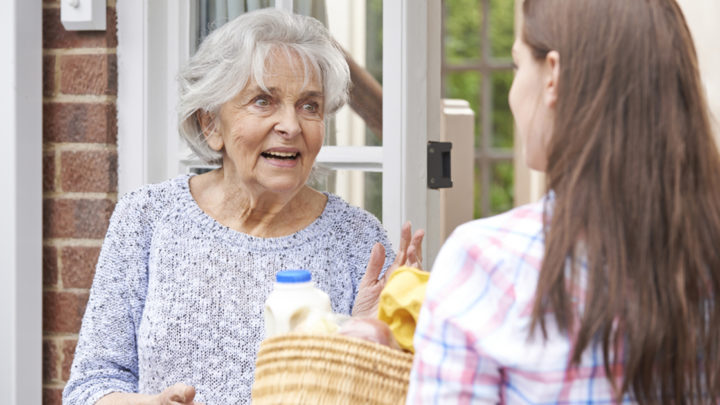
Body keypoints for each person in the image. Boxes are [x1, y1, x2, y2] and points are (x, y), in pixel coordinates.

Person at [63, 8, 423, 405]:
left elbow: (408, 389)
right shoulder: (148, 217)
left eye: (309, 106)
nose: (291, 125)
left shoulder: (358, 238)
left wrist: (379, 341)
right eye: (263, 101)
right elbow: (89, 388)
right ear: (211, 125)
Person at [407, 0, 720, 403]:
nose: (513, 94)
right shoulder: (705, 255)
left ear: (553, 75)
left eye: (518, 67)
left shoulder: (486, 265)